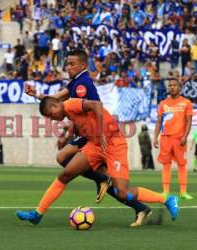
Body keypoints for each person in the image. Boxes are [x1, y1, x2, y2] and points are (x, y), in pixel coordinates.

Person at [24, 49, 151, 227]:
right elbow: (56, 102)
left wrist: (80, 132)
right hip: (90, 134)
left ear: (83, 65)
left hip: (99, 136)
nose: (68, 67)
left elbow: (83, 108)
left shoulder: (82, 84)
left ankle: (104, 180)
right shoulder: (76, 82)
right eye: (67, 64)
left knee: (67, 161)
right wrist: (37, 95)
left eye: (72, 64)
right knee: (63, 159)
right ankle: (101, 179)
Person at [16, 97, 179, 225]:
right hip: (94, 146)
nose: (53, 119)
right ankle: (38, 214)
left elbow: (97, 105)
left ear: (56, 106)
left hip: (113, 144)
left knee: (122, 192)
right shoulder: (68, 113)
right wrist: (67, 135)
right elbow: (82, 123)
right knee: (66, 174)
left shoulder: (71, 105)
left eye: (52, 115)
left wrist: (100, 132)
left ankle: (166, 199)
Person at [154, 78, 193, 200]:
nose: (172, 87)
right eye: (170, 85)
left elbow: (189, 121)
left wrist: (185, 136)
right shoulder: (163, 104)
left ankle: (183, 192)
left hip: (179, 139)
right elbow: (159, 122)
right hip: (165, 139)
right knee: (166, 165)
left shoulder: (186, 103)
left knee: (182, 165)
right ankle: (165, 191)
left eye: (174, 85)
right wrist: (155, 137)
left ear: (180, 87)